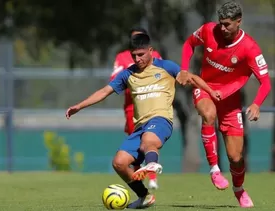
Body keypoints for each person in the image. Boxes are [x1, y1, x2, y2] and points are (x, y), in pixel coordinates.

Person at [66, 33, 219, 209]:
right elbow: (104, 91)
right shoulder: (128, 74)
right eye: (134, 56)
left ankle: (152, 163)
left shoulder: (166, 67)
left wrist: (211, 92)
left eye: (141, 55)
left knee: (148, 140)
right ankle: (144, 196)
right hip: (140, 127)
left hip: (161, 120)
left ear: (151, 51)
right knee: (119, 162)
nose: (137, 59)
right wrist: (79, 106)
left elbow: (192, 78)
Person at [176, 1, 272, 208]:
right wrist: (184, 69)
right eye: (221, 23)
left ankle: (239, 189)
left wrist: (256, 104)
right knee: (208, 114)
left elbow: (265, 82)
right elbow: (188, 44)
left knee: (236, 157)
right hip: (204, 87)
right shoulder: (208, 30)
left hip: (230, 99)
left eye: (227, 24)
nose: (223, 28)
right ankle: (214, 170)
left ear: (239, 21)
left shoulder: (250, 48)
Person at [110, 27, 162, 189]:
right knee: (134, 149)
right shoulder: (123, 57)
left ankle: (153, 178)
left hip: (153, 105)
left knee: (149, 141)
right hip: (132, 107)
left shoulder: (155, 56)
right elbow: (115, 78)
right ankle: (139, 180)